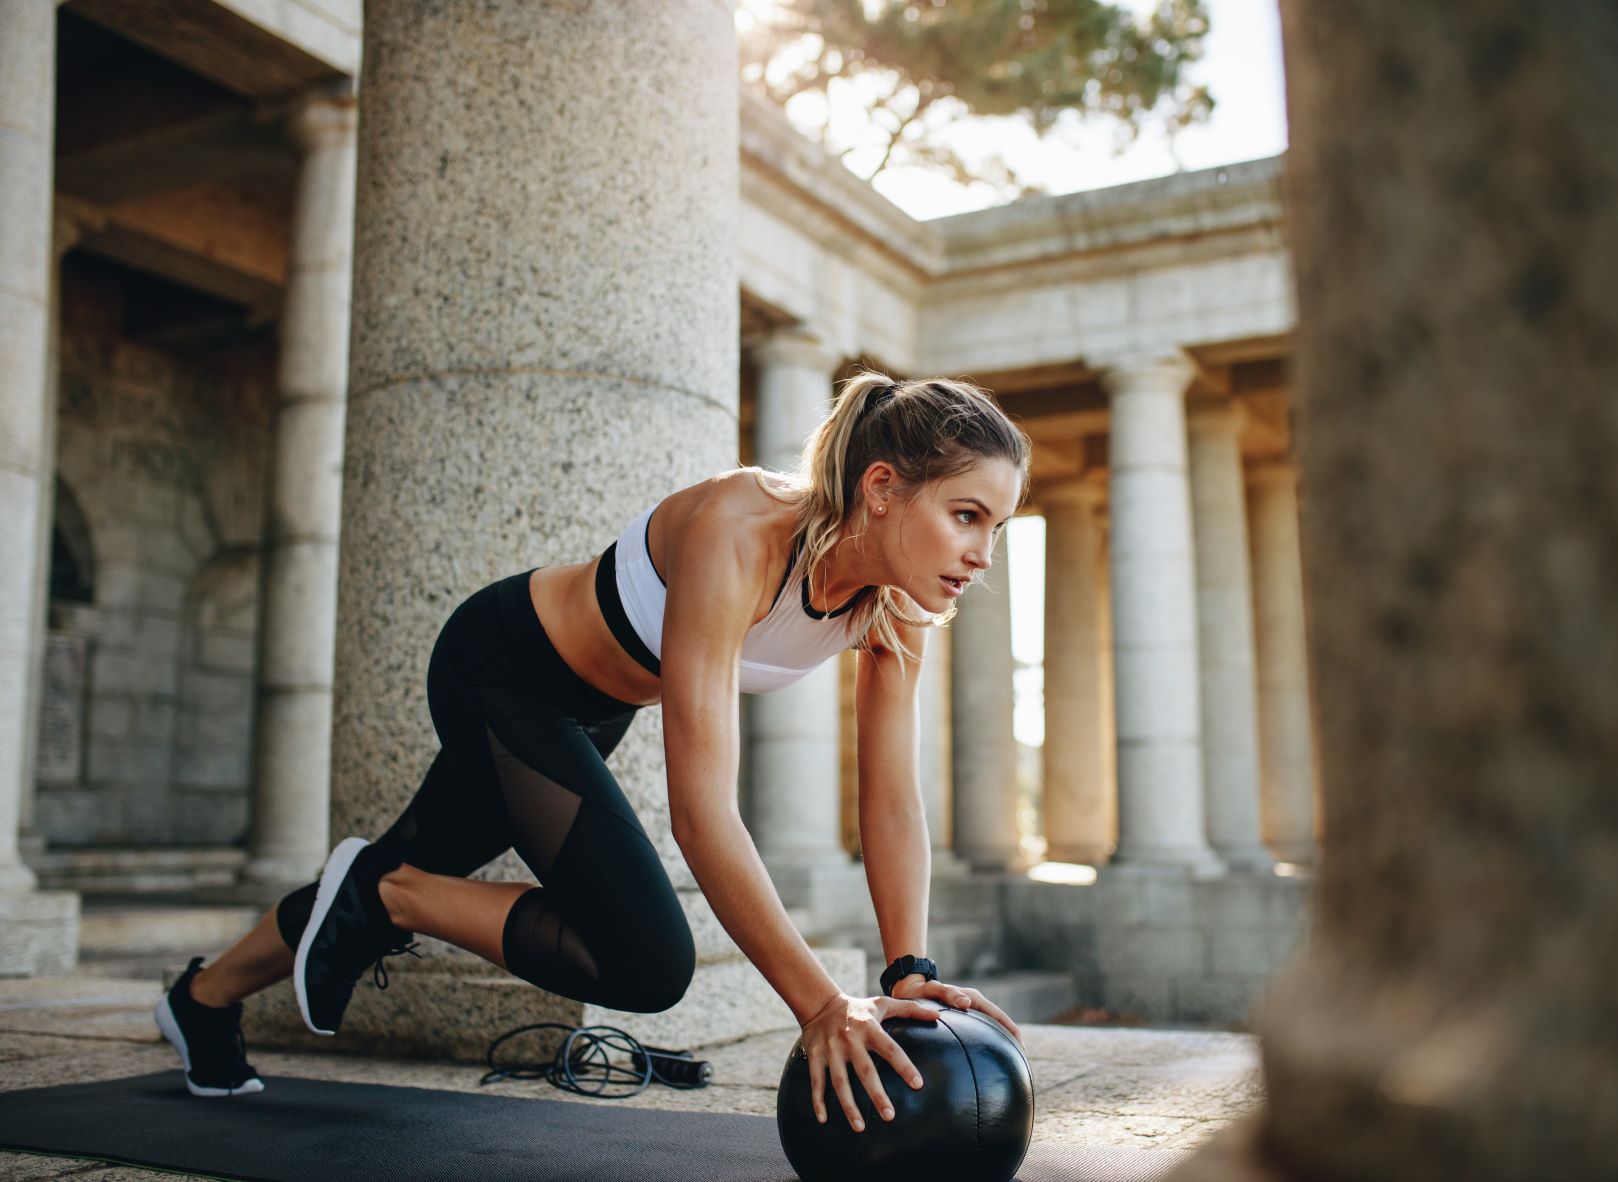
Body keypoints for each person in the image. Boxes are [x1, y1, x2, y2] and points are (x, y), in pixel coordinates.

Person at [153, 371, 1032, 1129]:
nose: (980, 554)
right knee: (646, 959)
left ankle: (202, 1001)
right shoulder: (742, 529)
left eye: (994, 528)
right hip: (500, 668)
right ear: (882, 487)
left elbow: (889, 799)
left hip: (590, 708)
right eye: (967, 515)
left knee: (385, 873)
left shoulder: (899, 606)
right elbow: (702, 814)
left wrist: (907, 970)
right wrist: (818, 1004)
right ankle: (393, 900)